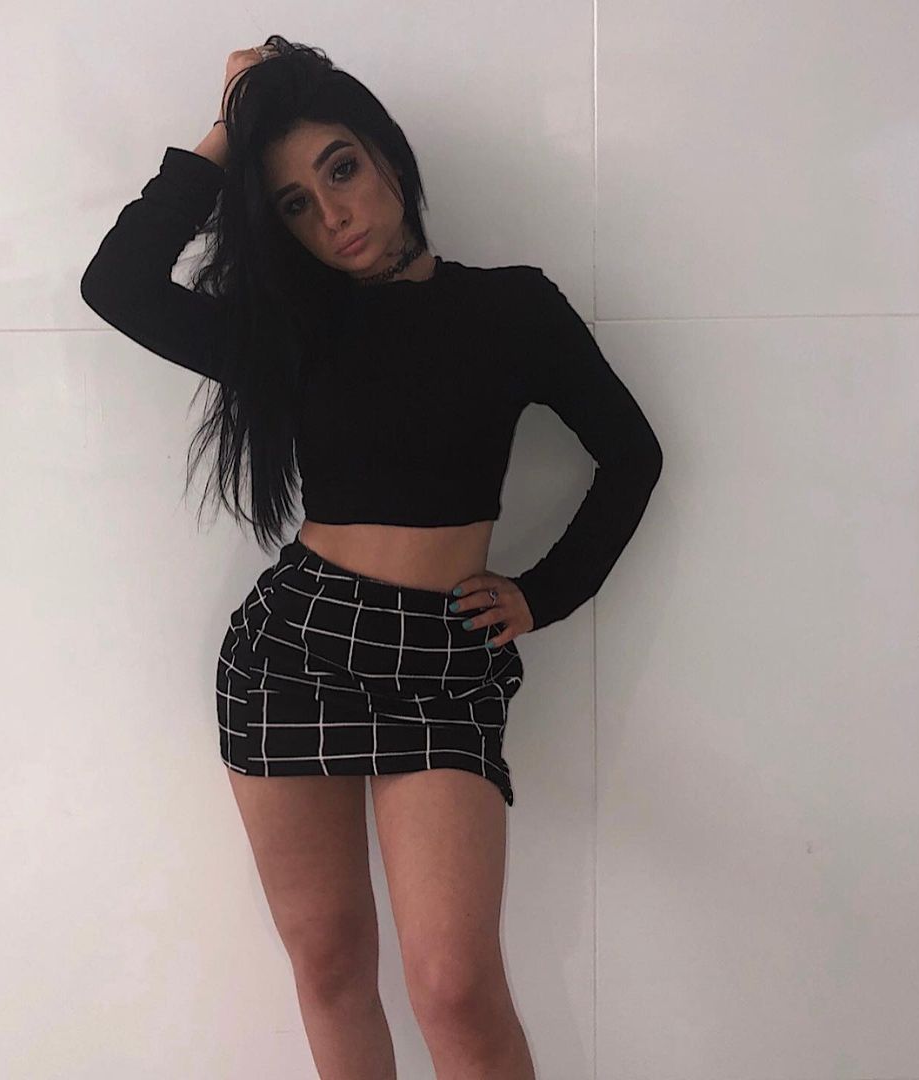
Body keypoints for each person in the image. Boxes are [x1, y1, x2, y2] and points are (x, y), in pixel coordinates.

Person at [79, 34, 662, 1079]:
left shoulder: (513, 308)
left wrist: (544, 594)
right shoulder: (289, 331)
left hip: (446, 660)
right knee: (333, 964)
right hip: (293, 653)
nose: (334, 213)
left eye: (341, 169)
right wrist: (226, 131)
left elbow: (631, 455)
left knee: (454, 986)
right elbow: (116, 284)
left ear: (388, 154)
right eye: (296, 204)